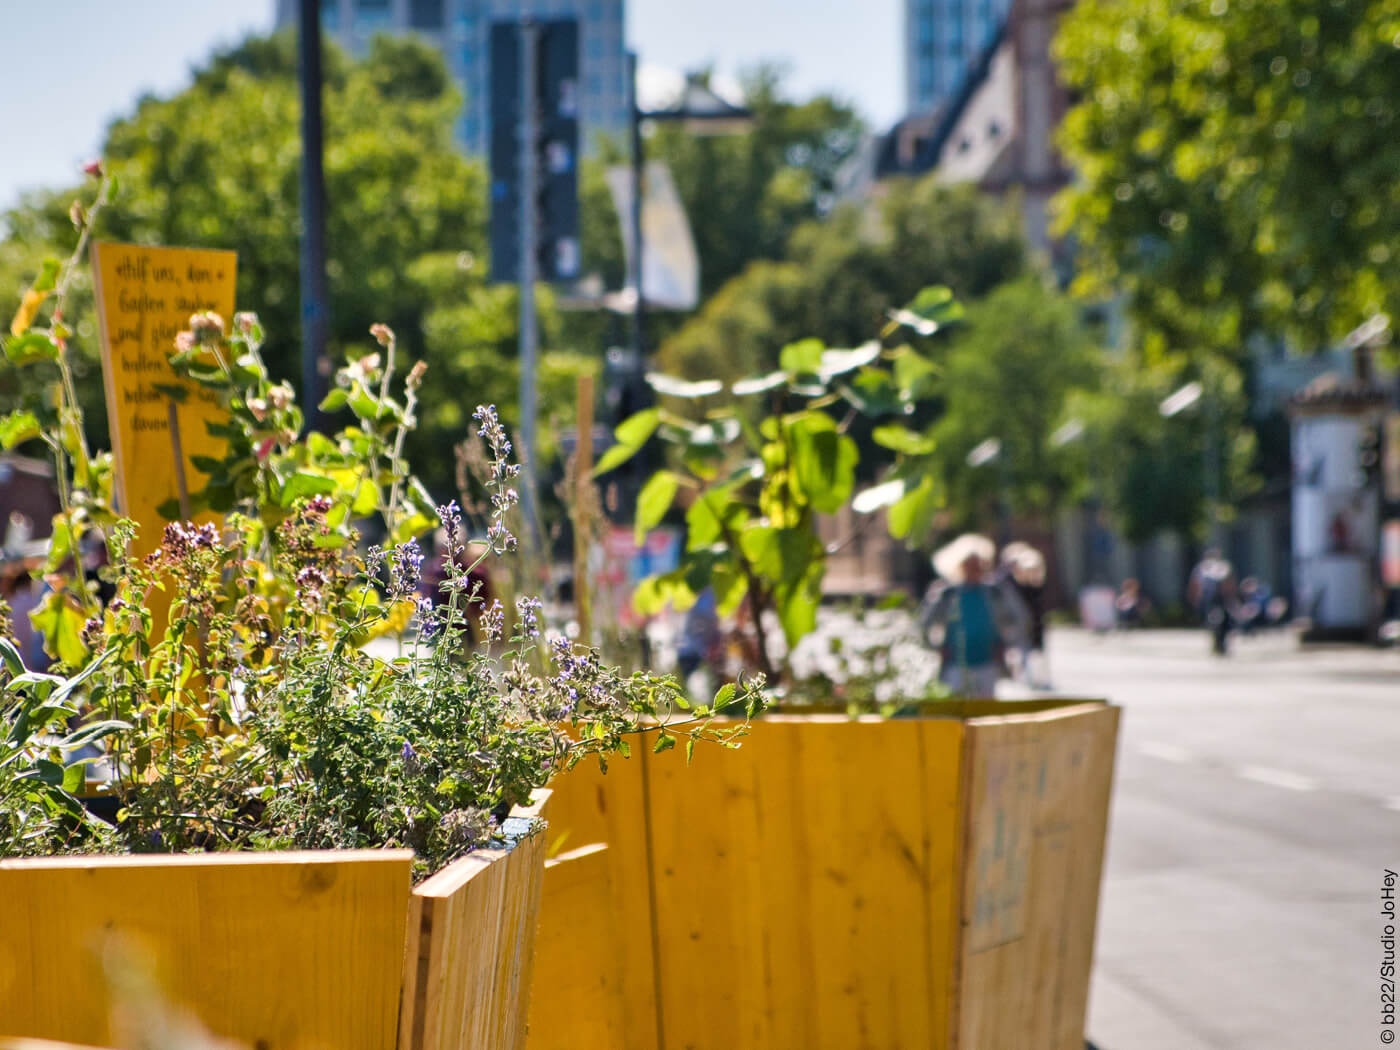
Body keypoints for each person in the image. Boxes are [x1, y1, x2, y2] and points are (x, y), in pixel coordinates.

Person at [919, 533, 1029, 697]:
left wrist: (1007, 644)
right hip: (956, 664)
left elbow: (1020, 619)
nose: (975, 570)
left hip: (988, 662)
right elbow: (924, 624)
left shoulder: (995, 592)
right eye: (970, 565)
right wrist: (936, 647)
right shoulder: (947, 593)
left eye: (978, 565)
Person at [1000, 542, 1050, 689]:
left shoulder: (1033, 582)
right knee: (1021, 649)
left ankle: (1037, 677)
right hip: (1020, 621)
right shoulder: (1007, 582)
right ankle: (1024, 676)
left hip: (1035, 620)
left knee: (1036, 650)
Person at [1187, 548, 1237, 655]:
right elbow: (1229, 584)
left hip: (1211, 598)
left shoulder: (1202, 568)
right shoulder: (1221, 566)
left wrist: (1195, 599)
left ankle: (1218, 643)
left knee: (1214, 621)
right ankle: (1220, 643)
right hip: (1218, 598)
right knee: (1222, 622)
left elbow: (1195, 585)